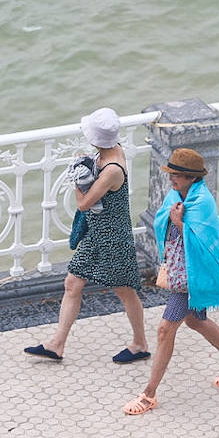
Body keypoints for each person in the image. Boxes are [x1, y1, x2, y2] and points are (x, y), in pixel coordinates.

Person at [123, 148, 219, 415]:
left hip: (192, 276)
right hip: (182, 272)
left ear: (191, 177)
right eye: (171, 174)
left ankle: (148, 394)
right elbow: (162, 220)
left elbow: (201, 238)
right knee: (194, 320)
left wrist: (179, 222)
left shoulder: (201, 201)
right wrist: (173, 220)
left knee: (165, 330)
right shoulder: (177, 194)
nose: (171, 179)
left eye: (176, 175)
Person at [24, 107, 151, 363]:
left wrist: (76, 178)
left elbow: (84, 203)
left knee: (125, 291)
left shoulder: (113, 168)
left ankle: (140, 344)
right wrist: (86, 163)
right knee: (72, 283)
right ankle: (56, 344)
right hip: (96, 234)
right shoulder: (108, 153)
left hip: (113, 238)